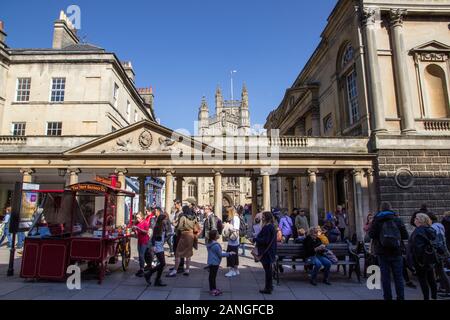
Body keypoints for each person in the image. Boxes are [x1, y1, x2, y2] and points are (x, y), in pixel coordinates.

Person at [369, 202, 408, 300]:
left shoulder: (377, 220)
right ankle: (400, 297)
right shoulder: (397, 219)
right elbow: (405, 235)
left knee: (385, 277)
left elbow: (371, 235)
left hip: (382, 252)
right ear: (391, 208)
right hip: (397, 251)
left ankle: (387, 297)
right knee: (398, 277)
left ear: (381, 209)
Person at [408, 213, 439, 300]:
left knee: (423, 280)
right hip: (430, 258)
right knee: (431, 278)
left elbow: (417, 248)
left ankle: (426, 297)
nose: (414, 219)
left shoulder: (418, 231)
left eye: (416, 218)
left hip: (421, 260)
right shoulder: (430, 229)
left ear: (420, 221)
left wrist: (416, 261)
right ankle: (434, 296)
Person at [167, 205, 200, 277]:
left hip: (184, 235)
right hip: (191, 236)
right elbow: (197, 226)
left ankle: (175, 270)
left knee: (178, 253)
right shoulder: (194, 217)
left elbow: (179, 227)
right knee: (188, 253)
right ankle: (187, 270)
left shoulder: (183, 217)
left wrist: (175, 224)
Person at [254, 211, 277, 294]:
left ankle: (268, 288)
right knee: (268, 270)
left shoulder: (267, 227)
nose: (261, 218)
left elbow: (265, 240)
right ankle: (270, 286)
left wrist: (255, 239)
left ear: (267, 218)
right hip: (270, 251)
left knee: (268, 271)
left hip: (266, 252)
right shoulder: (271, 226)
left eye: (263, 217)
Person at [206, 230, 235, 296]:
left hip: (211, 262)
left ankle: (213, 289)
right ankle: (213, 290)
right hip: (215, 263)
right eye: (217, 234)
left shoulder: (210, 243)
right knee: (212, 277)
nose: (218, 234)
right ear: (214, 236)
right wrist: (229, 253)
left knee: (212, 277)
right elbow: (220, 254)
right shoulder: (215, 245)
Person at [144, 214, 167, 287]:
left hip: (160, 245)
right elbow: (153, 237)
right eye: (165, 219)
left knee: (162, 264)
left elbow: (163, 236)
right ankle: (149, 274)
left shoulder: (163, 226)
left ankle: (157, 280)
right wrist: (153, 246)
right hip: (157, 246)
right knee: (163, 263)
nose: (166, 221)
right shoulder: (157, 227)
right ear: (162, 220)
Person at [431, 215, 450, 297]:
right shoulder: (440, 226)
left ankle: (448, 290)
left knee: (441, 272)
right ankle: (443, 288)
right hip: (443, 251)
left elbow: (436, 242)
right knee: (441, 271)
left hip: (439, 253)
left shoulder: (433, 227)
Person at [169, 199, 185, 274]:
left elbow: (178, 223)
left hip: (180, 233)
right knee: (175, 250)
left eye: (175, 204)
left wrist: (173, 223)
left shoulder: (182, 213)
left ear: (179, 204)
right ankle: (177, 265)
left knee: (179, 250)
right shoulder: (177, 212)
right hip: (176, 233)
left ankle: (181, 266)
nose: (174, 205)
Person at [224, 206, 240, 277]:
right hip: (233, 240)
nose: (227, 214)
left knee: (230, 255)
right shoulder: (234, 218)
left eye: (228, 212)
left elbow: (235, 229)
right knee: (235, 255)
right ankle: (236, 270)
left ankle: (232, 270)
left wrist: (227, 226)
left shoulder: (235, 218)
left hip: (233, 240)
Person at [133, 212, 150, 277]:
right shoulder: (138, 223)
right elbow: (137, 233)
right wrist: (135, 230)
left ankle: (142, 269)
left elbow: (146, 231)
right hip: (139, 240)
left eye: (138, 217)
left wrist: (138, 228)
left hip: (144, 241)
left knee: (141, 255)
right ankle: (141, 268)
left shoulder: (145, 222)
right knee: (140, 255)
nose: (137, 219)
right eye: (136, 217)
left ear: (142, 217)